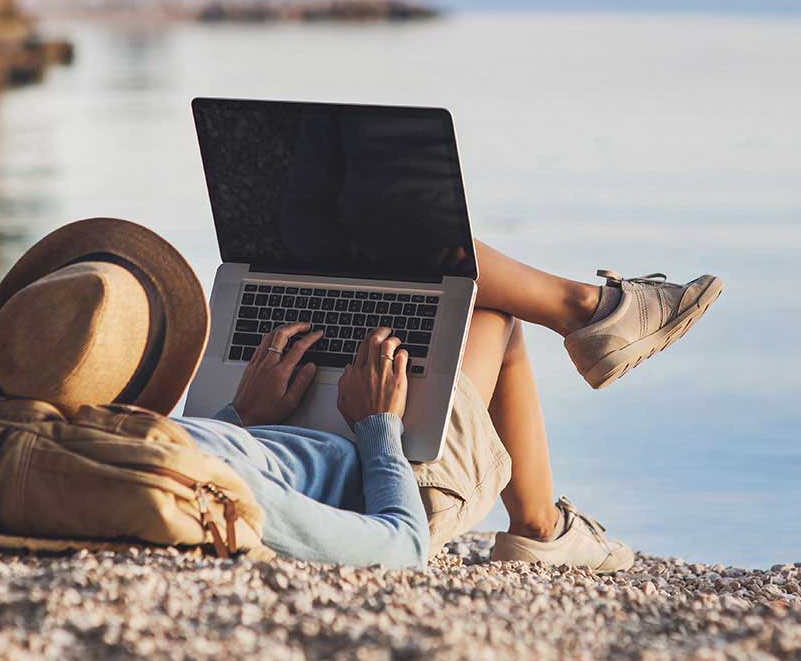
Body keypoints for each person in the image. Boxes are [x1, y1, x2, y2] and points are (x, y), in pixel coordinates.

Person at [173, 239, 722, 570]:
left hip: (285, 423)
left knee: (413, 251)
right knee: (482, 302)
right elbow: (400, 543)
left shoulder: (115, 433)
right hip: (404, 480)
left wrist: (242, 416)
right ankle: (591, 314)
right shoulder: (216, 497)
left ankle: (591, 316)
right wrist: (378, 423)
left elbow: (217, 454)